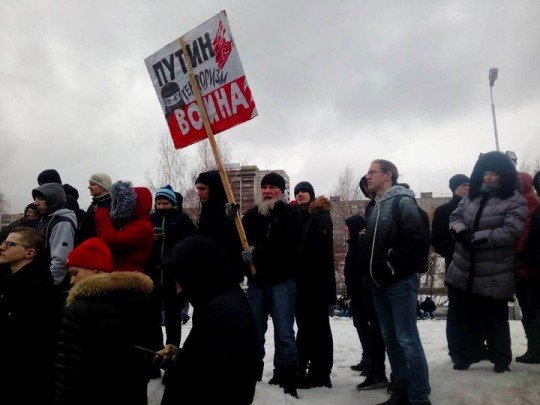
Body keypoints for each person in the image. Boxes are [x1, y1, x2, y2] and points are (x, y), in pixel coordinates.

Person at [445, 151, 527, 373]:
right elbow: (455, 218)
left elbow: (511, 231)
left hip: (494, 270)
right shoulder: (471, 196)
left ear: (504, 176)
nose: (488, 178)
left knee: (495, 318)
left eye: (494, 174)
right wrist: (461, 233)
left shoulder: (515, 200)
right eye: (485, 173)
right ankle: (466, 355)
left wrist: (478, 239)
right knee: (466, 317)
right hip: (464, 268)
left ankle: (501, 358)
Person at [362, 159, 431, 405]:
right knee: (390, 338)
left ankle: (419, 396)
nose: (368, 176)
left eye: (372, 172)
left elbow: (418, 239)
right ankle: (401, 390)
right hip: (378, 284)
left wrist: (392, 263)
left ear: (388, 175)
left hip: (400, 282)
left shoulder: (403, 201)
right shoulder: (373, 207)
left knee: (407, 338)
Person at [159, 236, 258, 405]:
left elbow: (205, 380)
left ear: (198, 274)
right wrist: (180, 354)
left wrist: (178, 367)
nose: (178, 290)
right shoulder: (217, 303)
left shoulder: (225, 313)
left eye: (180, 281)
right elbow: (206, 355)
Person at [55, 237, 153, 405]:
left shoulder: (80, 308)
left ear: (97, 271)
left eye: (75, 273)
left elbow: (68, 366)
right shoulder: (139, 299)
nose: (71, 281)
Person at [242, 172, 302, 398]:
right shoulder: (251, 215)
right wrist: (230, 218)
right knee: (255, 330)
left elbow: (290, 247)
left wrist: (259, 253)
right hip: (257, 282)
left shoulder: (290, 214)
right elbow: (239, 237)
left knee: (284, 333)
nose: (267, 191)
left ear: (281, 191)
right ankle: (253, 375)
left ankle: (286, 377)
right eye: (264, 187)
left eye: (272, 187)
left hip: (282, 281)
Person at [0, 227, 57, 405]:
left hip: (24, 380)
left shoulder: (39, 289)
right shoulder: (8, 278)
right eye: (3, 242)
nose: (2, 247)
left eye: (10, 244)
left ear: (29, 253)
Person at [293, 181, 336, 389]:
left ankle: (321, 373)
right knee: (304, 329)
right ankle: (304, 368)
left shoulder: (320, 217)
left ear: (312, 194)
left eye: (304, 191)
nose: (301, 194)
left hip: (316, 284)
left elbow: (323, 257)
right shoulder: (298, 217)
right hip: (301, 284)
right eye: (297, 192)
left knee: (319, 330)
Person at [147, 185, 195, 356]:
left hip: (173, 278)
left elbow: (191, 246)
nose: (161, 207)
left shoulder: (182, 219)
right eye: (158, 203)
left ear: (172, 203)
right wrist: (150, 238)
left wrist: (183, 278)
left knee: (172, 320)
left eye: (165, 203)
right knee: (153, 320)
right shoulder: (150, 219)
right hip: (153, 277)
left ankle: (171, 356)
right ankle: (155, 354)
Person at [195, 170, 245, 283]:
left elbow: (235, 243)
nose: (199, 193)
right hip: (207, 272)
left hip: (225, 274)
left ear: (214, 188)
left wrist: (229, 220)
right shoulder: (205, 210)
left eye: (202, 189)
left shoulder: (227, 210)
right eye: (197, 189)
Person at [94, 181, 154, 272]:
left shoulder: (143, 227)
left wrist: (102, 213)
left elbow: (112, 240)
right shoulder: (131, 224)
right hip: (122, 275)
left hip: (128, 278)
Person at [514, 171, 540, 363]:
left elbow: (526, 231)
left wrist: (519, 253)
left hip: (528, 266)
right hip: (520, 264)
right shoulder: (521, 200)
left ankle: (536, 350)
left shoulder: (528, 202)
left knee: (532, 308)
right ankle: (533, 349)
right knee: (528, 309)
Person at [32, 183, 77, 290]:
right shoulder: (46, 219)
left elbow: (61, 261)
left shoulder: (62, 223)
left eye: (41, 199)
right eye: (35, 199)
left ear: (53, 199)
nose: (35, 203)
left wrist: (42, 286)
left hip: (51, 287)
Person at [77, 173, 112, 244]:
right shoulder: (93, 205)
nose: (89, 187)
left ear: (103, 187)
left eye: (92, 184)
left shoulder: (111, 206)